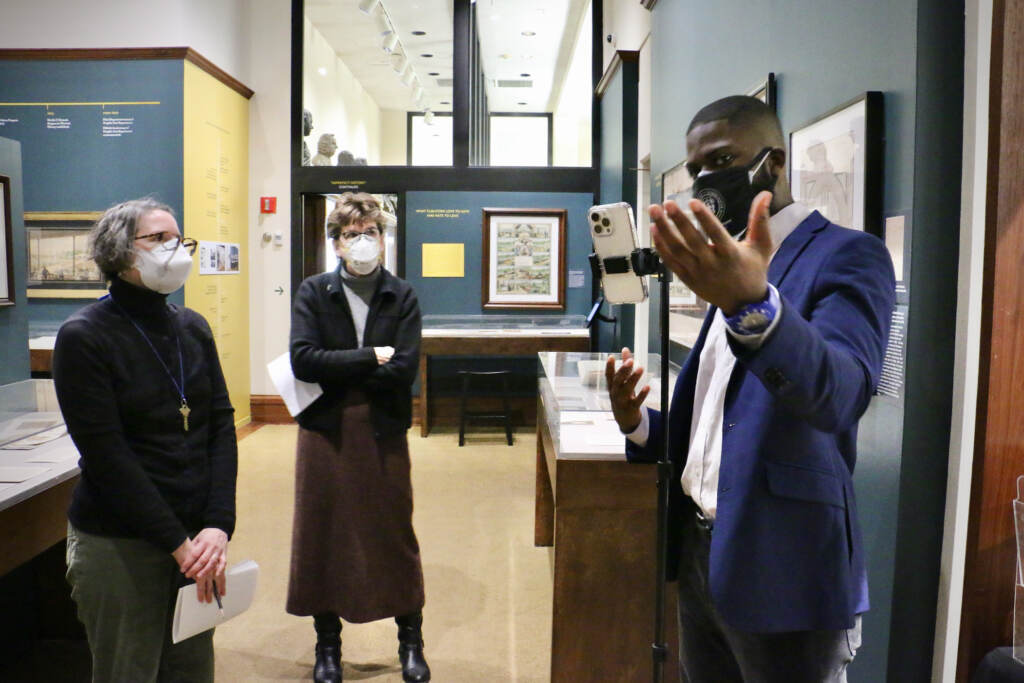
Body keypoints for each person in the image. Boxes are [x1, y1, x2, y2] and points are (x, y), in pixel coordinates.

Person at [605, 96, 895, 682]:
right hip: (700, 553)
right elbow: (716, 429)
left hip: (786, 563)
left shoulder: (848, 255)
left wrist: (752, 305)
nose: (707, 180)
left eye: (723, 160)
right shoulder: (726, 269)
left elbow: (840, 395)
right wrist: (636, 420)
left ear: (774, 163)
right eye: (696, 169)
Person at [52, 198, 238, 682]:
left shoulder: (191, 326)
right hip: (122, 541)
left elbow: (219, 424)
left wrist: (217, 525)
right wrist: (179, 544)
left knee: (191, 669)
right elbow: (107, 457)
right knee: (129, 671)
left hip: (198, 540)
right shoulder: (84, 336)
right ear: (120, 252)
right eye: (158, 239)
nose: (174, 249)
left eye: (178, 239)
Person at [287, 192, 430, 683]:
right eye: (352, 234)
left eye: (372, 232)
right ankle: (328, 645)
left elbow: (405, 370)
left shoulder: (402, 295)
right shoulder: (313, 291)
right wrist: (372, 358)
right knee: (320, 533)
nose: (363, 241)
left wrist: (342, 366)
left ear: (384, 240)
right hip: (324, 432)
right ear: (336, 243)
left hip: (383, 429)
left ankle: (410, 639)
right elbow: (303, 360)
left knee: (393, 532)